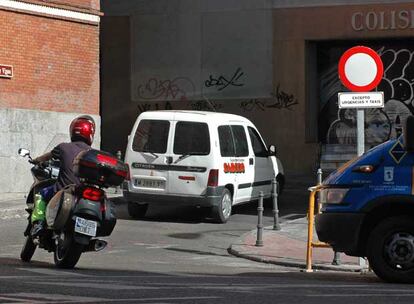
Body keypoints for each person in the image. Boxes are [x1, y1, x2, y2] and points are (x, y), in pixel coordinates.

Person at [30, 115, 95, 237]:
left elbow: (47, 157)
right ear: (90, 134)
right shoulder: (91, 153)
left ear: (72, 131)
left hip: (62, 189)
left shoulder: (63, 147)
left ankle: (38, 223)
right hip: (82, 194)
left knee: (41, 194)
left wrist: (36, 160)